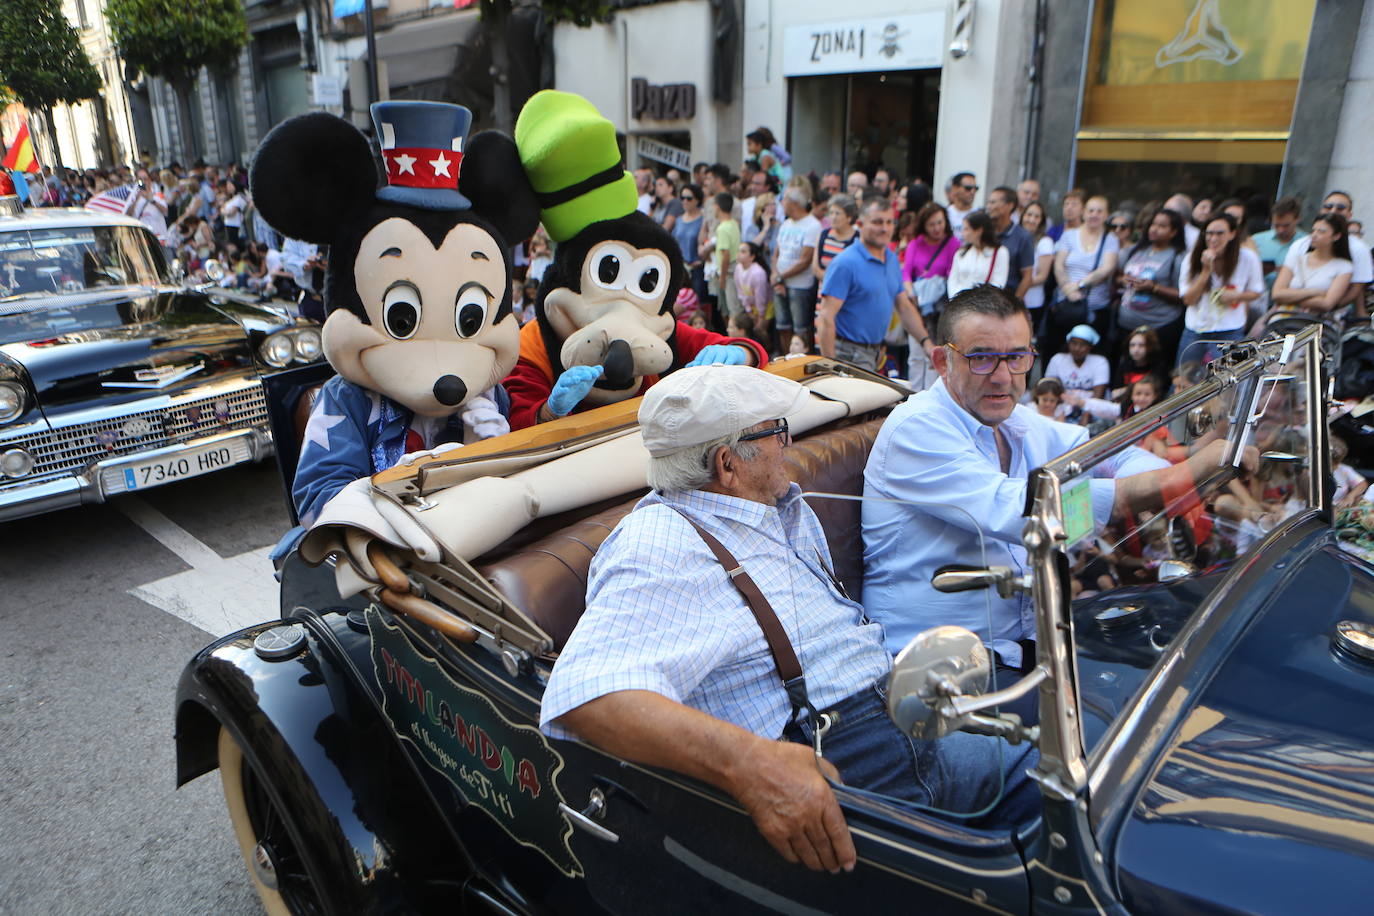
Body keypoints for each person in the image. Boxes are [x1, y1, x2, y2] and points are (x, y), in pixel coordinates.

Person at [541, 365, 1038, 874]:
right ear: (727, 463)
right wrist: (750, 766)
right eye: (776, 430)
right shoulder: (658, 544)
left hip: (901, 717)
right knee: (1059, 819)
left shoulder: (773, 505)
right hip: (844, 763)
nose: (790, 441)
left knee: (1080, 773)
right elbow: (585, 693)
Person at [861, 286, 1236, 709]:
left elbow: (1109, 455)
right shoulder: (917, 428)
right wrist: (1182, 477)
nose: (1003, 376)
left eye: (1017, 357)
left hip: (1022, 649)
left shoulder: (1014, 417)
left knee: (1190, 685)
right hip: (937, 672)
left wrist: (1176, 481)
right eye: (981, 357)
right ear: (942, 361)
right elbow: (1030, 516)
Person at [816, 197, 933, 375]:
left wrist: (927, 343)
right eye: (877, 222)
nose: (885, 228)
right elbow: (825, 318)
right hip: (847, 356)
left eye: (889, 222)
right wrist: (831, 368)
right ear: (860, 224)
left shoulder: (891, 259)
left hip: (875, 354)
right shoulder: (845, 263)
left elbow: (903, 306)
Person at [1177, 212, 1264, 364]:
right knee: (1184, 378)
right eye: (1209, 233)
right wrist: (1205, 272)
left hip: (1230, 329)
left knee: (1229, 380)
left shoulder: (1248, 257)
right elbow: (1188, 299)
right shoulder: (1191, 258)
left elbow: (1257, 291)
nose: (1213, 239)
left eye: (1220, 233)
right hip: (1196, 329)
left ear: (1232, 234)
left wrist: (1236, 296)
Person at [1047, 194, 1119, 354]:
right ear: (1084, 213)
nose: (1094, 214)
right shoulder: (1069, 235)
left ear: (1106, 215)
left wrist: (1079, 285)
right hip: (1065, 305)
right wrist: (1067, 288)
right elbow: (1059, 264)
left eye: (1099, 211)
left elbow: (1107, 269)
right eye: (1091, 210)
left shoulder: (1110, 240)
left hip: (1094, 309)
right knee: (1057, 351)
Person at [1282, 191, 1373, 316]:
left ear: (1349, 215)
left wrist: (1329, 307)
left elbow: (1356, 289)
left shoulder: (1359, 249)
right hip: (1287, 311)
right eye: (1328, 207)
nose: (1333, 211)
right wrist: (1313, 295)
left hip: (1332, 316)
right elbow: (1278, 291)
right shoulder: (1300, 244)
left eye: (1340, 208)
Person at [1116, 207, 1188, 361]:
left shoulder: (1178, 257)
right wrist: (1123, 280)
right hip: (1127, 324)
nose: (1154, 229)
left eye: (1162, 226)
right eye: (1153, 224)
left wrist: (1154, 288)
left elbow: (1183, 295)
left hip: (1159, 327)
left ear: (1174, 232)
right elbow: (1116, 277)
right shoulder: (1135, 250)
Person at [1269, 213, 1353, 316]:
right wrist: (1314, 292)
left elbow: (1327, 303)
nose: (1314, 235)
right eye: (1313, 230)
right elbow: (1277, 294)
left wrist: (1289, 297)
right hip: (1284, 317)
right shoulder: (1297, 258)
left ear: (1336, 236)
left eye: (1321, 232)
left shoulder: (1344, 266)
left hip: (1316, 322)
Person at [772, 186, 821, 352]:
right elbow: (776, 253)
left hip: (800, 286)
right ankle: (786, 357)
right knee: (782, 325)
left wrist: (780, 277)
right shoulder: (786, 223)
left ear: (793, 203)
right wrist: (775, 275)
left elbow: (805, 259)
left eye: (784, 199)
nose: (781, 203)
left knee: (801, 328)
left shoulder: (812, 225)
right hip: (780, 282)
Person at [986, 186, 1034, 299]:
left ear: (1010, 205)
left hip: (1007, 299)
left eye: (993, 202)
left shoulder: (1023, 237)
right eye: (988, 202)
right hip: (982, 299)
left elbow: (1027, 277)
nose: (989, 207)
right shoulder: (985, 232)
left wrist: (1014, 304)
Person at [946, 210, 1008, 299]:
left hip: (984, 304)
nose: (963, 233)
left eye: (966, 229)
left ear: (979, 231)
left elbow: (998, 283)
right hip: (959, 303)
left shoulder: (1000, 252)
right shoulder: (961, 253)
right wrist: (955, 298)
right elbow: (953, 279)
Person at [1251, 196, 1305, 293]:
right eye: (1276, 225)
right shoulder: (1256, 240)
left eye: (1286, 226)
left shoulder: (1306, 243)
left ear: (1298, 219)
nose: (1280, 230)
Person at [1045, 324, 1110, 400]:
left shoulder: (1100, 362)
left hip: (1091, 407)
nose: (1077, 348)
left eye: (1083, 345)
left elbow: (1098, 397)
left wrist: (1086, 410)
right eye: (1074, 343)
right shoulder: (1057, 359)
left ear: (1090, 347)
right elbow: (1049, 389)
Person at [1019, 201, 1055, 325]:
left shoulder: (1045, 242)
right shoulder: (1014, 237)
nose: (1032, 219)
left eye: (1036, 216)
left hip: (1032, 302)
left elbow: (1042, 276)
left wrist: (1020, 286)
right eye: (1029, 215)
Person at [812, 193, 858, 287]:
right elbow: (815, 268)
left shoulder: (858, 239)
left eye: (837, 213)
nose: (833, 217)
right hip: (823, 293)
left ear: (849, 217)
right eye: (831, 213)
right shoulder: (823, 235)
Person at [710, 192, 741, 320]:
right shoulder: (734, 223)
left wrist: (722, 278)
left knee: (730, 311)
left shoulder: (722, 228)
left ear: (717, 207)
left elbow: (726, 255)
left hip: (727, 274)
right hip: (734, 271)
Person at [673, 183, 706, 299]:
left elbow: (705, 241)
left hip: (697, 268)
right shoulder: (679, 220)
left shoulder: (703, 219)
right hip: (682, 268)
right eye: (682, 198)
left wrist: (701, 261)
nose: (685, 201)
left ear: (697, 200)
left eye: (689, 198)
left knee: (698, 300)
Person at [734, 241, 771, 331]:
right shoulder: (738, 268)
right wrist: (748, 310)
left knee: (761, 331)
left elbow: (761, 296)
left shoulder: (758, 273)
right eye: (739, 251)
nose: (739, 254)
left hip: (765, 306)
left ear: (752, 257)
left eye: (743, 252)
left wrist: (761, 315)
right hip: (750, 306)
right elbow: (740, 291)